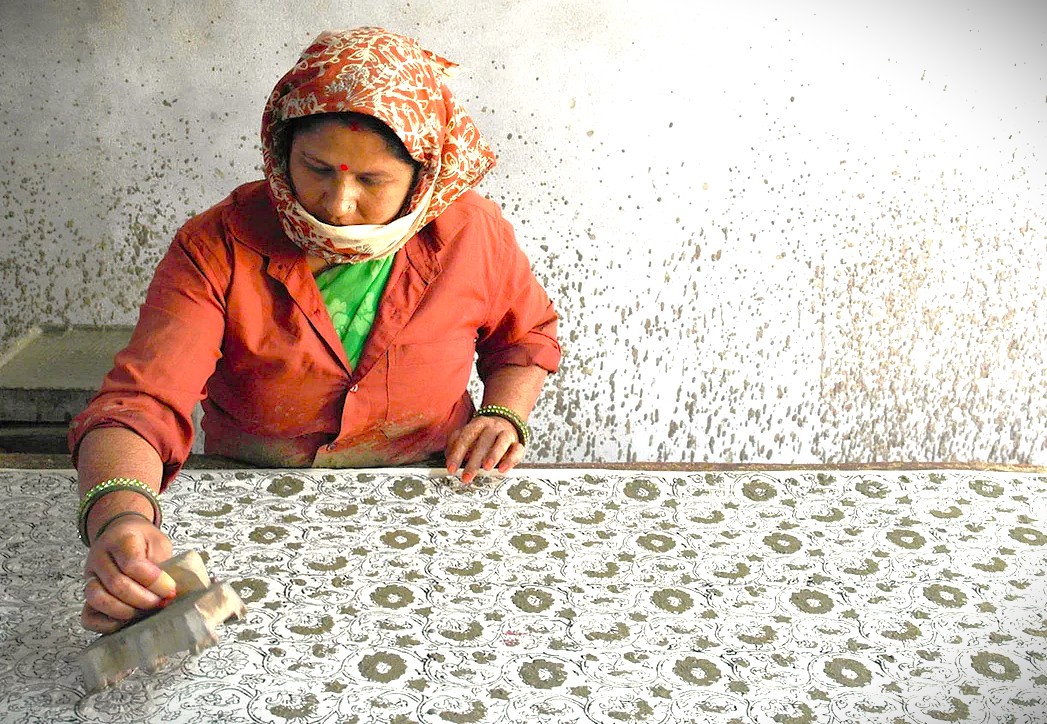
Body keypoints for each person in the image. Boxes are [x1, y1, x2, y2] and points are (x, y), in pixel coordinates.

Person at [69, 27, 560, 633]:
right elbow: (143, 402)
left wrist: (504, 414)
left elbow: (524, 336)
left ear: (423, 175)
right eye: (317, 168)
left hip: (430, 491)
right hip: (255, 497)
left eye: (372, 181)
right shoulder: (217, 245)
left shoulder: (470, 233)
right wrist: (121, 519)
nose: (338, 203)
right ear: (282, 150)